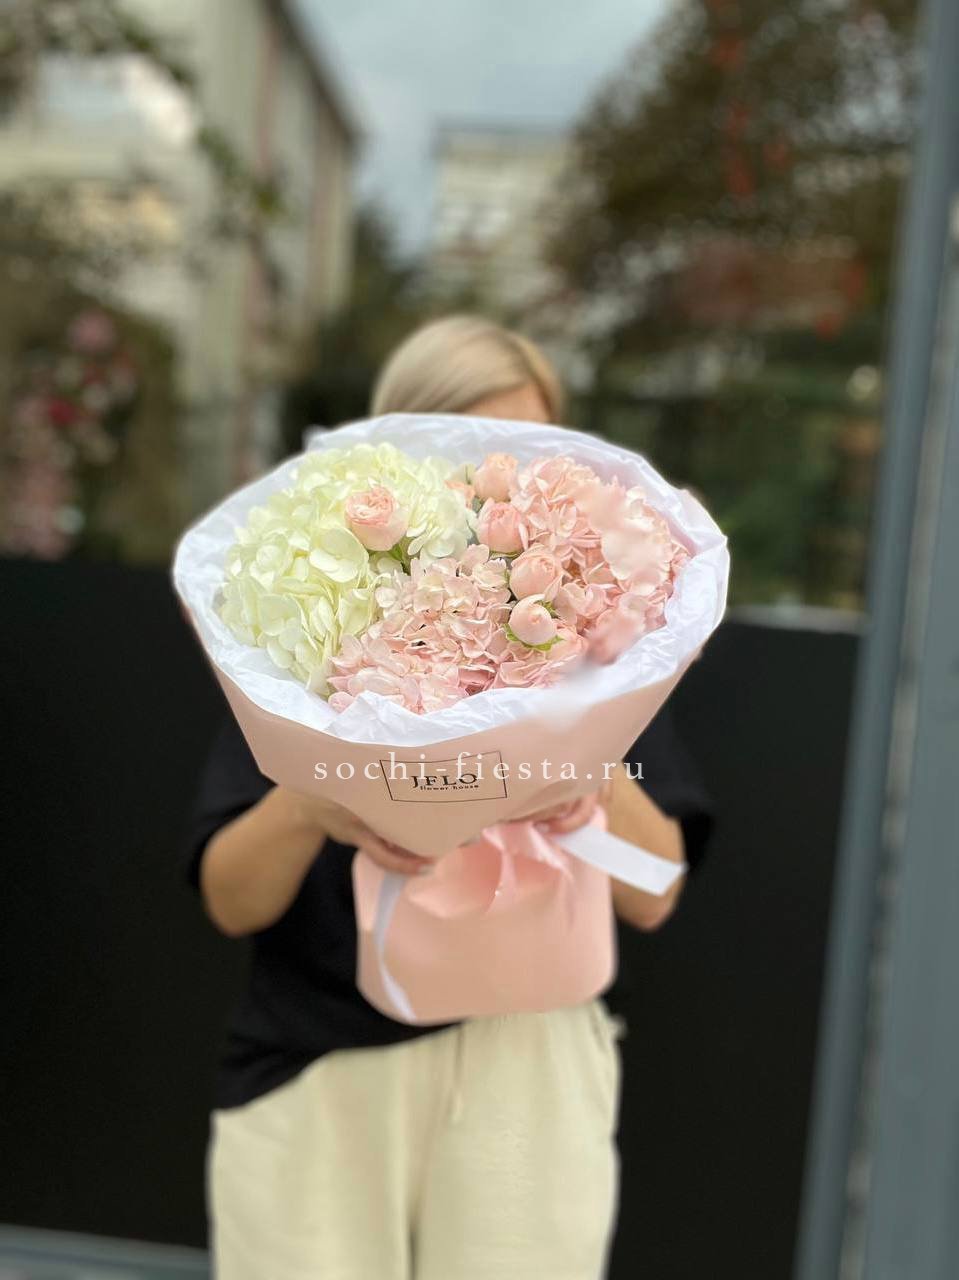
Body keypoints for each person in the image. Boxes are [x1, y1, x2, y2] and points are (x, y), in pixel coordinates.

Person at [185, 315, 715, 1279]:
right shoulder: (304, 642)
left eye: (534, 450)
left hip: (527, 1065)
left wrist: (581, 761)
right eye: (478, 447)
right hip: (322, 1067)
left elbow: (655, 890)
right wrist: (311, 798)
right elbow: (230, 899)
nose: (505, 480)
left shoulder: (605, 649)